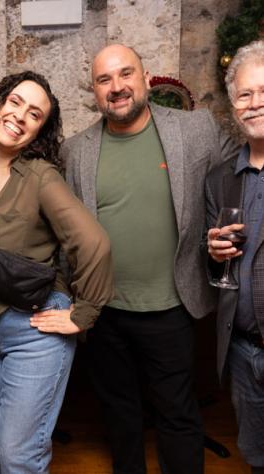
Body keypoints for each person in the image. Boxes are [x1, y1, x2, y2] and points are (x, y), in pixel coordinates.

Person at [60, 43, 240, 474]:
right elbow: (66, 231)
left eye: (126, 74)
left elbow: (242, 169)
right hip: (104, 309)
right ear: (93, 90)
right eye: (104, 79)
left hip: (171, 303)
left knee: (177, 413)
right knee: (119, 416)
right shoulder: (76, 150)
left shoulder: (195, 129)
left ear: (145, 78)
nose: (117, 87)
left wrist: (225, 228)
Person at [0, 70, 113, 473]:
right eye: (15, 102)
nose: (19, 115)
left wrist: (82, 314)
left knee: (19, 455)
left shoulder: (40, 177)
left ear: (39, 130)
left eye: (34, 114)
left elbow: (94, 244)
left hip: (32, 329)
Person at [206, 39, 264, 474]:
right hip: (243, 351)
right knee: (257, 455)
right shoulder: (221, 179)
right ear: (232, 105)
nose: (255, 104)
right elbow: (217, 267)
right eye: (245, 94)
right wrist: (212, 253)